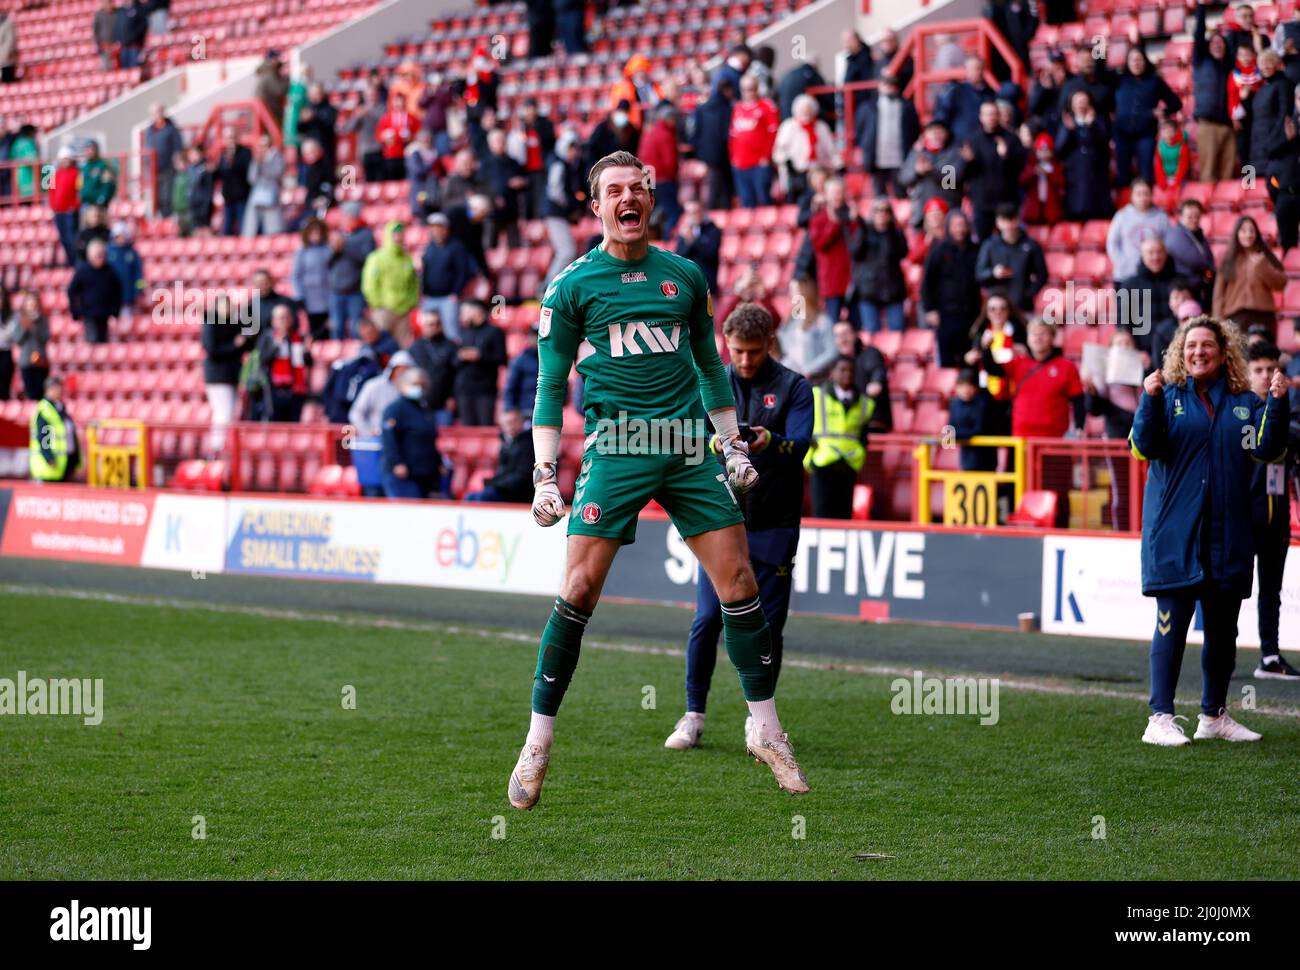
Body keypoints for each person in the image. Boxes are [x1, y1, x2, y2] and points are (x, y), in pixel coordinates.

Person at [508, 149, 808, 810]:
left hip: (687, 448)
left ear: (649, 197)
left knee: (739, 582)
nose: (628, 197)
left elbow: (709, 368)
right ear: (597, 207)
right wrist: (542, 476)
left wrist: (730, 445)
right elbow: (549, 387)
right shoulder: (570, 287)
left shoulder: (685, 276)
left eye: (637, 186)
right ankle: (537, 742)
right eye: (614, 189)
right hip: (616, 447)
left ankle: (767, 729)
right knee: (579, 588)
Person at [1130, 316, 1287, 745]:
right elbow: (1144, 446)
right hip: (1176, 532)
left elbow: (1269, 449)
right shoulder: (1166, 396)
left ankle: (1213, 716)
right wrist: (1148, 400)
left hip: (1227, 534)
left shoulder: (1244, 402)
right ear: (1181, 351)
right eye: (1191, 345)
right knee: (1171, 623)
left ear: (1224, 352)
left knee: (1223, 630)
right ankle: (1159, 718)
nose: (1198, 352)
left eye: (1207, 345)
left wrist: (1277, 404)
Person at [666, 301, 813, 750]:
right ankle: (693, 715)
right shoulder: (712, 381)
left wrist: (772, 442)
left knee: (768, 625)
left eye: (752, 351)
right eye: (736, 351)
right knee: (708, 619)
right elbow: (686, 439)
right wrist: (713, 444)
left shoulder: (794, 387)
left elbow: (803, 446)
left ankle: (759, 720)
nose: (744, 360)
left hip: (774, 522)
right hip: (720, 520)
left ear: (769, 344)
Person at [1243, 341, 1300, 679]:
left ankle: (1270, 655)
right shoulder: (1239, 411)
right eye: (1258, 370)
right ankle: (1223, 654)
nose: (1265, 376)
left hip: (1276, 514)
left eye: (1270, 369)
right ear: (1247, 375)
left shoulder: (1287, 406)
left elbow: (1293, 437)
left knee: (1271, 590)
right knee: (1231, 589)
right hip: (1242, 514)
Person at [968, 318, 1084, 439]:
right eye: (1034, 334)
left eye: (1043, 334)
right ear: (1028, 338)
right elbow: (994, 370)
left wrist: (1079, 426)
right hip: (1021, 437)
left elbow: (1078, 399)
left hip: (1054, 436)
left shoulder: (1066, 367)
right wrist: (987, 350)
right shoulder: (1019, 363)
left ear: (1052, 337)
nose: (1038, 338)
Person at [804, 355, 872, 519]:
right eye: (842, 370)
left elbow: (864, 436)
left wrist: (860, 455)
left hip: (849, 465)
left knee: (844, 516)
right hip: (822, 463)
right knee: (822, 515)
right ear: (832, 373)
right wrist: (811, 458)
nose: (847, 374)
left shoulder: (864, 403)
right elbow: (803, 427)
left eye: (851, 371)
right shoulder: (815, 395)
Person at [1113, 45, 1182, 185]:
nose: (1136, 63)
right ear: (1127, 62)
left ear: (1145, 61)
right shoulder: (1119, 80)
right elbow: (1099, 70)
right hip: (1121, 134)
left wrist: (1163, 112)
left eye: (1139, 59)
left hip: (1146, 134)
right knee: (1123, 175)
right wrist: (1099, 43)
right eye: (1133, 60)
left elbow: (1176, 103)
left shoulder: (1154, 81)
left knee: (1146, 174)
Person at [922, 209, 982, 367]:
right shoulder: (939, 251)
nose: (960, 230)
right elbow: (928, 282)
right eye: (956, 225)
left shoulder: (976, 250)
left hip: (971, 314)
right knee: (946, 359)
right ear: (948, 227)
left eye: (962, 225)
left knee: (969, 359)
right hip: (946, 314)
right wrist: (930, 309)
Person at [962, 100, 1026, 240]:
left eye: (994, 114)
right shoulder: (972, 140)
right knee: (982, 244)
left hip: (1006, 202)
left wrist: (1006, 157)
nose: (991, 118)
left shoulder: (1011, 139)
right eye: (987, 114)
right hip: (981, 203)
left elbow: (1020, 168)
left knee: (1011, 241)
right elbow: (956, 175)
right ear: (981, 117)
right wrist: (968, 162)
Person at [1211, 215, 1286, 334]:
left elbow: (1281, 283)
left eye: (1252, 230)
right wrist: (1218, 321)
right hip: (1236, 317)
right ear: (1236, 234)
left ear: (1257, 234)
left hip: (1263, 316)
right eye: (1243, 231)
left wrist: (1263, 267)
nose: (1248, 234)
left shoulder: (1264, 256)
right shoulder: (1228, 260)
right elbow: (1218, 295)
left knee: (1263, 352)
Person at [380, 367, 442, 499]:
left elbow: (430, 440)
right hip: (403, 473)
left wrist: (438, 463)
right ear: (404, 385)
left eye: (422, 385)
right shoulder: (395, 409)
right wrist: (396, 463)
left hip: (424, 473)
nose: (419, 388)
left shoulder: (425, 409)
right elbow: (389, 440)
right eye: (415, 384)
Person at [854, 72, 918, 199]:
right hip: (876, 158)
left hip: (899, 157)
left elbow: (914, 130)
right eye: (886, 84)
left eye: (892, 84)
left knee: (901, 193)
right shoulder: (868, 107)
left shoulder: (906, 106)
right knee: (879, 196)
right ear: (880, 86)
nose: (889, 87)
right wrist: (865, 148)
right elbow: (860, 130)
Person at [975, 203, 1048, 314]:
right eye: (1004, 220)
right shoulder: (989, 246)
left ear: (1018, 220)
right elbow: (979, 274)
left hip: (1022, 306)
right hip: (997, 309)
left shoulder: (1031, 245)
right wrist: (993, 273)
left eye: (1011, 219)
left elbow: (1042, 275)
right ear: (998, 222)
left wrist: (1028, 294)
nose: (1008, 225)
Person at [1192, 2, 1236, 181]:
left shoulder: (1230, 66)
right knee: (1208, 173)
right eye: (1214, 42)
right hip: (1207, 124)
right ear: (1208, 46)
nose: (1218, 45)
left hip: (1228, 126)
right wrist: (1201, 6)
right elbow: (1199, 34)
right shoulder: (1201, 60)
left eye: (1221, 43)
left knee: (1227, 174)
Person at [1055, 89, 1113, 222]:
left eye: (1084, 101)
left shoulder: (1097, 121)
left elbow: (1104, 143)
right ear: (1072, 105)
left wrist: (1090, 126)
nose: (1081, 104)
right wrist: (1069, 131)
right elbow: (1059, 149)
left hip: (1096, 173)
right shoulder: (1067, 122)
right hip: (1075, 174)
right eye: (1078, 101)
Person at [850, 197, 907, 333]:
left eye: (886, 210)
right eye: (878, 210)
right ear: (872, 213)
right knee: (872, 333)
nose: (882, 214)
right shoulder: (864, 231)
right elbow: (855, 252)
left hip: (893, 290)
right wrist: (861, 226)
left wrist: (891, 231)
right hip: (869, 290)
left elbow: (902, 253)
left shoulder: (896, 233)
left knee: (897, 331)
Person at [200, 293, 248, 452]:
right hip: (217, 376)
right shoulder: (211, 323)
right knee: (223, 412)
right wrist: (234, 346)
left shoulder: (235, 323)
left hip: (232, 374)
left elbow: (246, 338)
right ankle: (217, 447)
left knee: (230, 413)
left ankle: (226, 446)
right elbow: (212, 349)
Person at [898, 121, 966, 227]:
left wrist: (931, 171)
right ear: (925, 134)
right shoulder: (916, 153)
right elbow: (903, 178)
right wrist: (917, 173)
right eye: (932, 131)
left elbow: (950, 182)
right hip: (921, 210)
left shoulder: (954, 153)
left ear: (947, 134)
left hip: (946, 211)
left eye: (940, 132)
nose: (936, 135)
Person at [541, 131, 585, 293]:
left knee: (567, 250)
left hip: (558, 213)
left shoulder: (568, 165)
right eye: (572, 148)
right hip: (554, 213)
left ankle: (555, 286)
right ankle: (548, 286)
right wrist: (571, 206)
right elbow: (555, 192)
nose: (575, 152)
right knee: (567, 250)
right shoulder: (559, 164)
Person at [772, 94, 835, 203]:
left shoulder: (821, 127)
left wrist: (838, 165)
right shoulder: (788, 127)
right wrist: (787, 162)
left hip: (816, 173)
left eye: (809, 110)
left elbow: (831, 150)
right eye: (803, 110)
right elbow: (778, 151)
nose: (806, 113)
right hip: (795, 173)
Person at [253, 303, 311, 422]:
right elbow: (263, 360)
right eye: (281, 317)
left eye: (286, 317)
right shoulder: (268, 337)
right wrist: (276, 346)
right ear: (274, 320)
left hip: (295, 390)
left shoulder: (298, 338)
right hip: (273, 390)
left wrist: (306, 353)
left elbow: (306, 364)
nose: (284, 321)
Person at [807, 177, 853, 324]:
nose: (838, 197)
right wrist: (833, 223)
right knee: (833, 324)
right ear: (826, 195)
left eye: (840, 193)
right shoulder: (818, 219)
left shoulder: (851, 217)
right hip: (832, 281)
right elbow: (819, 244)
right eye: (834, 193)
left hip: (854, 280)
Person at [1083, 327, 1142, 440]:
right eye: (1119, 344)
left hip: (1142, 430)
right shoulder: (1104, 375)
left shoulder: (1145, 367)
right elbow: (1094, 410)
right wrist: (1092, 391)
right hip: (1117, 433)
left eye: (1128, 343)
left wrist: (1148, 367)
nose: (1124, 347)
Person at [832, 319, 891, 431]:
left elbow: (878, 370)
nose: (842, 339)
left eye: (845, 334)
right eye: (837, 336)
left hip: (872, 419)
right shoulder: (835, 362)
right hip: (845, 421)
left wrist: (876, 382)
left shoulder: (870, 353)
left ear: (855, 334)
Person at [453, 299, 505, 426]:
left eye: (464, 311)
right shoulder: (463, 333)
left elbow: (502, 358)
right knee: (468, 432)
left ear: (477, 311)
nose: (462, 315)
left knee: (485, 429)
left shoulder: (494, 332)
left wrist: (480, 356)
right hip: (464, 390)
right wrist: (461, 357)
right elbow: (454, 362)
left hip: (485, 390)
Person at [729, 75, 779, 208]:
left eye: (751, 89)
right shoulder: (737, 108)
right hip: (740, 164)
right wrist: (734, 158)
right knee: (746, 201)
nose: (748, 92)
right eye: (744, 89)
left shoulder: (767, 106)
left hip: (759, 163)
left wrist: (766, 156)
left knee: (764, 198)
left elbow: (774, 133)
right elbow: (733, 135)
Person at [465, 408, 534, 503]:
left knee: (481, 497)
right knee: (470, 497)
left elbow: (522, 476)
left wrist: (494, 484)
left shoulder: (528, 443)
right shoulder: (506, 442)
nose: (510, 426)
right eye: (506, 424)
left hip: (518, 493)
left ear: (521, 422)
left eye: (512, 422)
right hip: (504, 488)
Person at [1107, 179, 1169, 282]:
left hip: (1153, 277)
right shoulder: (1122, 216)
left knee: (1148, 299)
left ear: (1151, 195)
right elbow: (1112, 243)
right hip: (1125, 276)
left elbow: (1166, 244)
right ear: (1131, 196)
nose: (1142, 198)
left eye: (1146, 194)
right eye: (1138, 194)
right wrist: (1123, 263)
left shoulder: (1161, 217)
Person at [67, 239, 122, 344]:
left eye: (102, 255)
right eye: (97, 255)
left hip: (105, 314)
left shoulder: (110, 271)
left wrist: (115, 311)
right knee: (92, 342)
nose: (100, 258)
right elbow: (72, 291)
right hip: (89, 314)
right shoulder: (83, 271)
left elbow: (117, 291)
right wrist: (75, 312)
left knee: (103, 343)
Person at [361, 221, 419, 319]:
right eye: (395, 234)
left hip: (404, 313)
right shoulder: (376, 258)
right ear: (388, 236)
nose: (398, 237)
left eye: (400, 234)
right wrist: (378, 305)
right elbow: (369, 285)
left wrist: (411, 303)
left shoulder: (407, 259)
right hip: (384, 312)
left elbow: (413, 284)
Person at [1164, 199, 1216, 305]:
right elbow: (1196, 260)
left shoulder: (1198, 234)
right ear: (1181, 217)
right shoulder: (1175, 235)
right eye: (1190, 217)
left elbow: (1209, 259)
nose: (1194, 220)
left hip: (1197, 285)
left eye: (1197, 216)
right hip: (1184, 286)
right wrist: (1211, 270)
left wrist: (1210, 272)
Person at [406, 309, 457, 416]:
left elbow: (456, 374)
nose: (433, 327)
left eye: (437, 323)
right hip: (421, 400)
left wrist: (453, 396)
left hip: (444, 400)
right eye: (430, 324)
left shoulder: (450, 346)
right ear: (423, 326)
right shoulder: (415, 347)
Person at [935, 57, 996, 145]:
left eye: (980, 68)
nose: (977, 72)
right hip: (958, 141)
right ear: (966, 70)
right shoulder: (955, 91)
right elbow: (943, 115)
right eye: (973, 69)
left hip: (984, 143)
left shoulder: (990, 93)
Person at [30, 376, 80, 483]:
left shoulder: (60, 408)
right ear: (50, 389)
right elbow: (44, 437)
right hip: (50, 468)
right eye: (58, 388)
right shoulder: (45, 409)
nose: (61, 391)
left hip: (63, 465)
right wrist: (49, 458)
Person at [949, 367, 996, 471]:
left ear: (976, 388)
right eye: (962, 385)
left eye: (969, 385)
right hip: (966, 457)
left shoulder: (983, 405)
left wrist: (956, 434)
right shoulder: (954, 404)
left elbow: (978, 430)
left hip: (985, 458)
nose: (966, 390)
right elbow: (949, 431)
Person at [144, 103, 184, 218]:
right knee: (156, 197)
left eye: (159, 111)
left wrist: (177, 160)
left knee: (166, 196)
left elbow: (178, 147)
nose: (157, 115)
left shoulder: (171, 128)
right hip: (153, 169)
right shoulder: (150, 130)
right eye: (154, 112)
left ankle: (167, 219)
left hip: (167, 168)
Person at [674, 199, 722, 294]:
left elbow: (710, 254)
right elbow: (679, 255)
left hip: (707, 283)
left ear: (703, 211)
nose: (693, 216)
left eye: (696, 212)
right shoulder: (684, 232)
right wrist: (688, 241)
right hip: (688, 283)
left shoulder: (713, 230)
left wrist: (693, 240)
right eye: (689, 213)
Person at [214, 129, 252, 237]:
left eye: (231, 137)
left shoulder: (245, 153)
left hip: (241, 196)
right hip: (229, 197)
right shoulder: (224, 155)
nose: (229, 140)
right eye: (227, 138)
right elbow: (221, 174)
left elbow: (246, 172)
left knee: (243, 225)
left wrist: (233, 162)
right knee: (227, 228)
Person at [1020, 131, 1064, 225]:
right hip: (1034, 208)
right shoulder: (1031, 164)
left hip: (1051, 208)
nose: (1044, 154)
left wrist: (1049, 174)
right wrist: (1034, 172)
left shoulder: (1056, 166)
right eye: (1041, 150)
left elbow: (1061, 183)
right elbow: (1022, 181)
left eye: (1046, 150)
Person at [13, 290, 49, 399]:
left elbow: (45, 337)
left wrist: (35, 326)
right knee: (30, 391)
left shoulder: (42, 319)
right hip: (26, 360)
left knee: (41, 390)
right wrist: (25, 328)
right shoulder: (20, 319)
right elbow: (18, 340)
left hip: (40, 359)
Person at [106, 221, 144, 325]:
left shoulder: (132, 253)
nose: (120, 239)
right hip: (111, 295)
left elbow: (139, 273)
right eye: (117, 236)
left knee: (127, 321)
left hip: (128, 294)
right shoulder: (108, 252)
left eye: (122, 236)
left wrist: (139, 288)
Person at [50, 148, 81, 267]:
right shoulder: (55, 174)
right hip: (59, 211)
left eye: (67, 159)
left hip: (69, 212)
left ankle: (76, 262)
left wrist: (74, 206)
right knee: (63, 238)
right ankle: (70, 261)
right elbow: (51, 191)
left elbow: (79, 192)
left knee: (71, 238)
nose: (65, 161)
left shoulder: (76, 173)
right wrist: (53, 206)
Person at [255, 50, 289, 127]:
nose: (279, 61)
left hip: (266, 110)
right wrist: (287, 81)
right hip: (269, 111)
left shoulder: (265, 72)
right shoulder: (269, 73)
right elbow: (278, 91)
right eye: (277, 58)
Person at [94, 0, 118, 72]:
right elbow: (95, 31)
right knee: (106, 67)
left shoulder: (117, 13)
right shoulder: (99, 14)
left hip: (116, 45)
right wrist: (98, 44)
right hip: (104, 46)